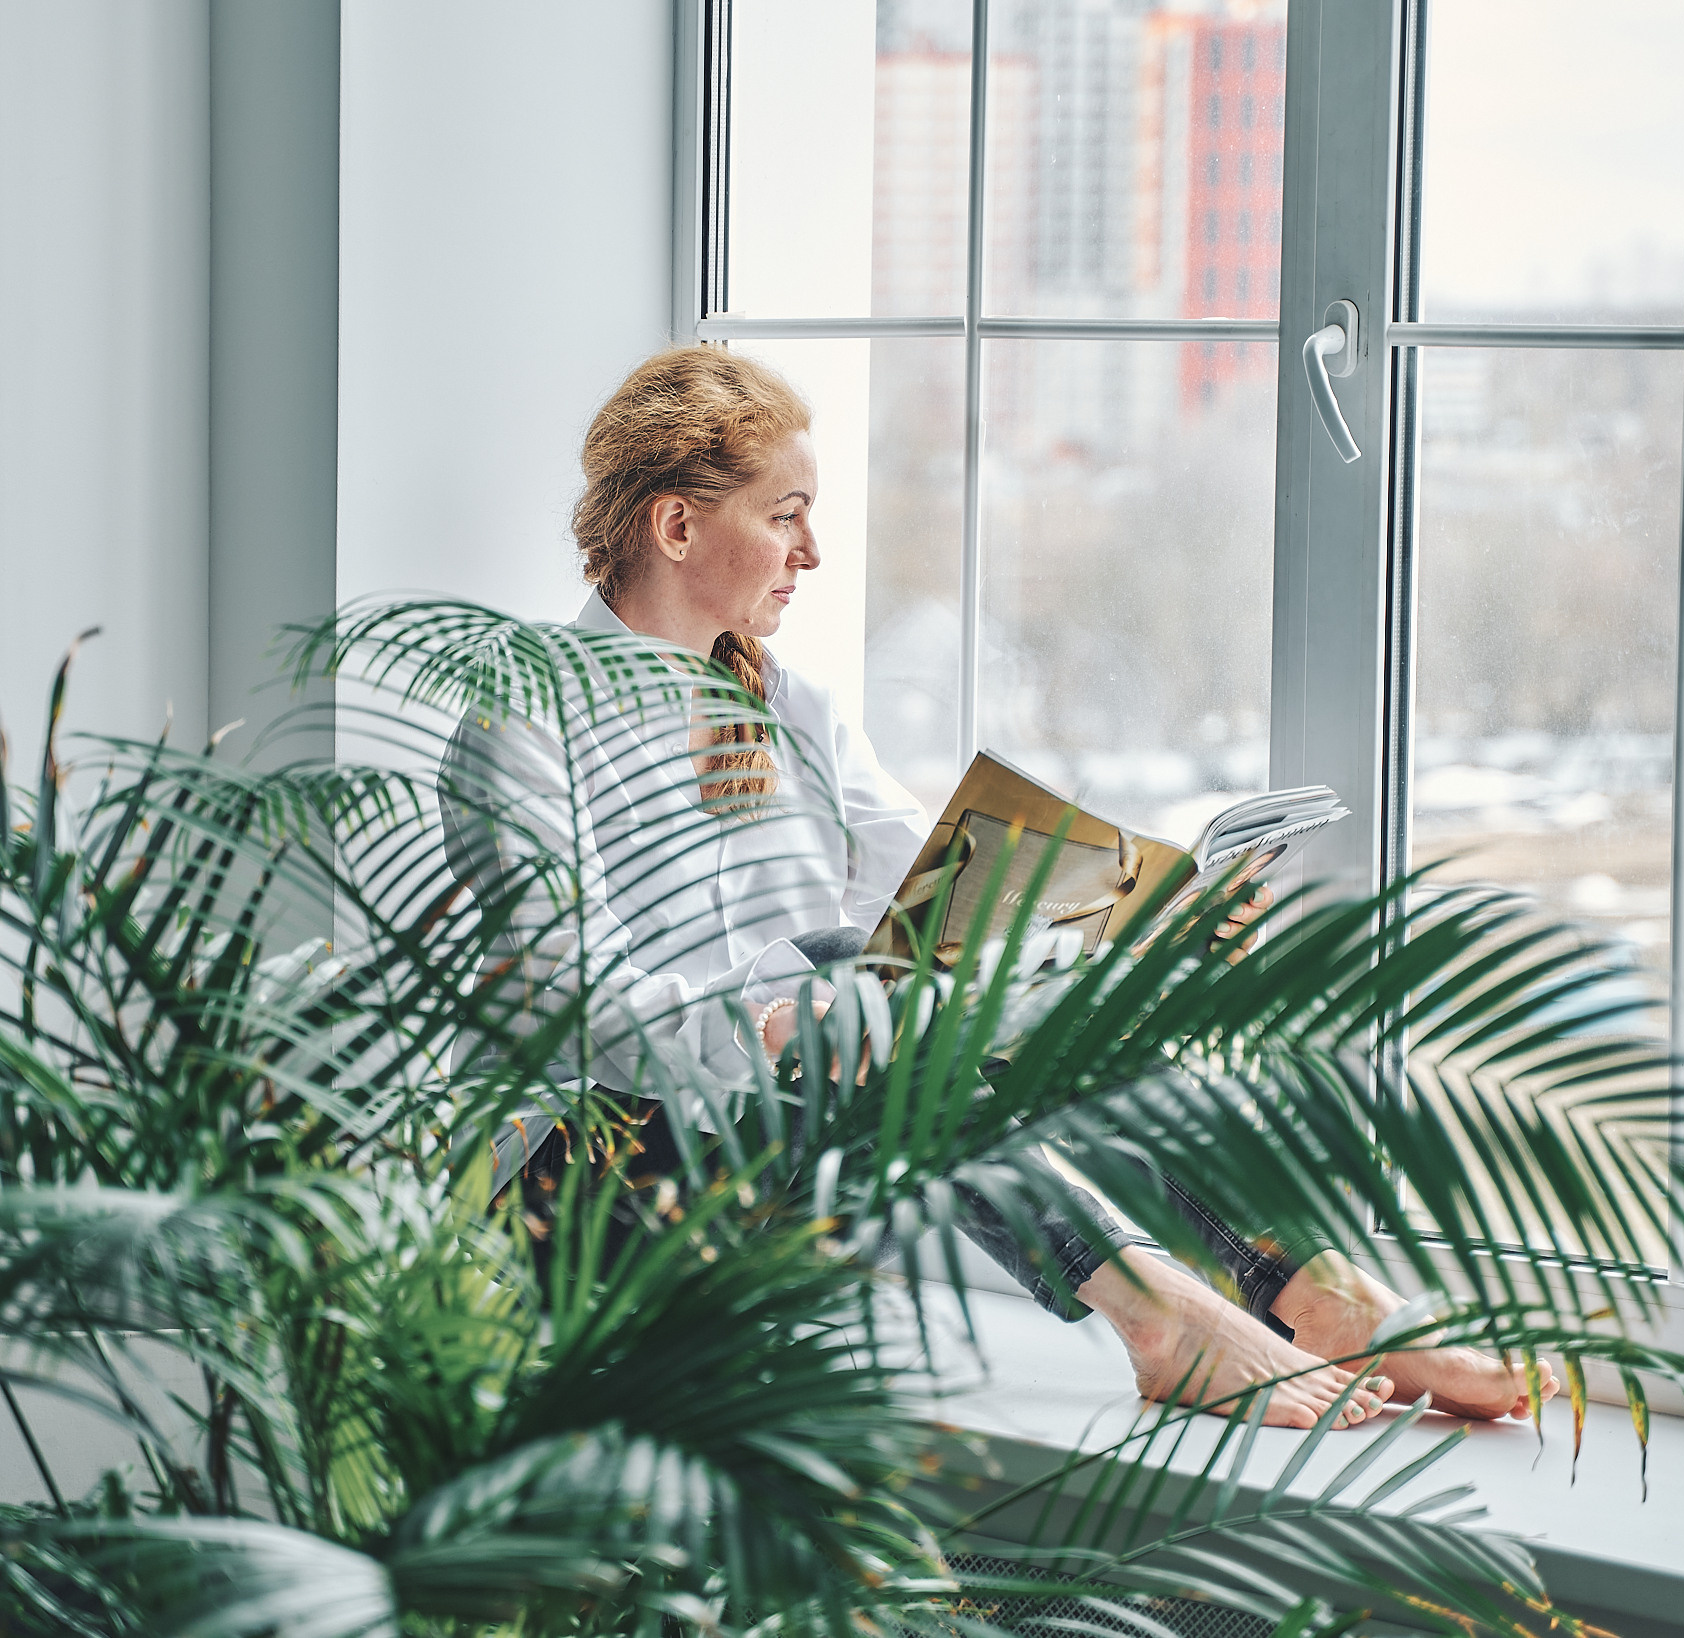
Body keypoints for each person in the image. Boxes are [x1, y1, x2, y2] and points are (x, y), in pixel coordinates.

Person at [442, 345, 1558, 1431]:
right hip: (571, 1203)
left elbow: (944, 911)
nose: (811, 551)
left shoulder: (791, 706)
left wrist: (1145, 930)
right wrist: (777, 1023)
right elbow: (566, 1006)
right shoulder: (523, 721)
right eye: (785, 515)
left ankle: (1312, 1290)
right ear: (677, 526)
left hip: (771, 1172)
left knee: (909, 987)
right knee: (853, 982)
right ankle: (1158, 1316)